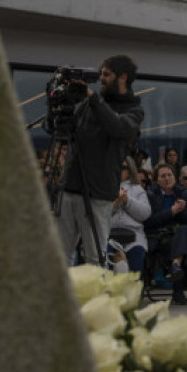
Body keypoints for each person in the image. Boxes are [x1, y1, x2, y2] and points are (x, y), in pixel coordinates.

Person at [56, 55, 145, 267]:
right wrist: (57, 115)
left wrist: (93, 98)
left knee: (95, 257)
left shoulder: (134, 110)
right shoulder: (90, 104)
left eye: (106, 74)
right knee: (61, 255)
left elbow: (117, 127)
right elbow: (67, 132)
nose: (101, 79)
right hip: (70, 185)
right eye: (101, 74)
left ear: (123, 78)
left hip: (98, 192)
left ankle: (96, 299)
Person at [144, 163, 187, 305]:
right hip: (158, 237)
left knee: (184, 231)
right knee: (180, 244)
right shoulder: (150, 194)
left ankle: (175, 266)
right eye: (163, 176)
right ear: (156, 180)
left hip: (178, 236)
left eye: (169, 175)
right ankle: (178, 288)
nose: (167, 178)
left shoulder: (183, 193)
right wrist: (171, 212)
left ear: (175, 178)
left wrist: (183, 210)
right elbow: (149, 221)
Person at [107, 156, 151, 273]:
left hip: (134, 237)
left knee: (136, 259)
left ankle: (132, 289)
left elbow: (145, 213)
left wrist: (127, 201)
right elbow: (99, 214)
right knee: (106, 260)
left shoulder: (138, 189)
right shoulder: (105, 188)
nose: (119, 170)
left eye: (123, 168)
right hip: (109, 236)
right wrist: (115, 204)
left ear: (130, 170)